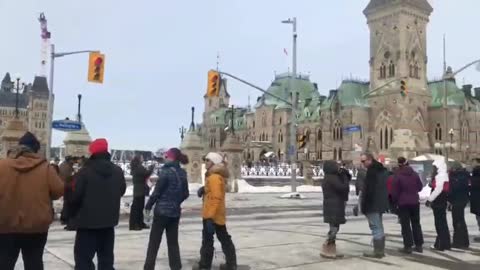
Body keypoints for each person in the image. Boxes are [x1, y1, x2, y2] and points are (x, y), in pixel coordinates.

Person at [0, 132, 64, 270]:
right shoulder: (46, 167)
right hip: (36, 226)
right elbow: (58, 191)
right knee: (34, 262)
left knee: (4, 262)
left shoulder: (2, 166)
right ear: (36, 149)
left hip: (6, 225)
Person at [67, 138, 126, 270]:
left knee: (83, 260)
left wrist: (71, 214)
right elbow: (121, 190)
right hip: (108, 223)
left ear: (92, 152)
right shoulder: (117, 171)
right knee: (106, 260)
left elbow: (75, 197)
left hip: (87, 224)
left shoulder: (85, 172)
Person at [143, 148, 190, 270]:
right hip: (175, 213)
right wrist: (176, 201)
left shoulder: (165, 172)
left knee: (154, 242)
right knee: (173, 242)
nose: (165, 158)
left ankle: (148, 267)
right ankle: (176, 267)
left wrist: (148, 205)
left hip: (161, 212)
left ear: (170, 157)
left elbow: (157, 192)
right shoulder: (182, 173)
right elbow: (186, 193)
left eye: (166, 156)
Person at [193, 152, 237, 270]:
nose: (205, 162)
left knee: (208, 240)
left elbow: (216, 197)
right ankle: (231, 263)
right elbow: (213, 191)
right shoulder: (214, 176)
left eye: (208, 160)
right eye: (205, 160)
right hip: (215, 214)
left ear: (214, 162)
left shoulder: (214, 177)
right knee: (223, 238)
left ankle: (205, 265)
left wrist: (210, 217)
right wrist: (204, 189)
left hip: (212, 215)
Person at [391, 157, 424, 254]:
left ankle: (408, 246)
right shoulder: (414, 174)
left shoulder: (398, 176)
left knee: (405, 225)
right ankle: (419, 245)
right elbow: (420, 187)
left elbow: (395, 191)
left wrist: (395, 201)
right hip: (414, 202)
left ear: (399, 165)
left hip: (403, 203)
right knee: (416, 223)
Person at [360, 152, 389, 258]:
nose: (362, 163)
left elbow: (369, 191)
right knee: (379, 226)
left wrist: (364, 206)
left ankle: (378, 251)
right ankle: (380, 250)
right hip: (380, 203)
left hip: (372, 204)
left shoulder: (372, 172)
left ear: (370, 160)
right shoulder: (382, 170)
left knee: (375, 227)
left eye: (363, 161)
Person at [320, 160, 350, 259]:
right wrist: (345, 177)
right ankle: (327, 248)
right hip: (335, 206)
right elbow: (343, 187)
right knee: (334, 229)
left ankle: (331, 250)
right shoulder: (332, 178)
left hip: (332, 205)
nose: (338, 167)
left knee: (334, 227)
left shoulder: (328, 177)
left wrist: (344, 175)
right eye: (336, 166)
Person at [425, 159, 451, 251]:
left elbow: (438, 189)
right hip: (442, 200)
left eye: (434, 167)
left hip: (439, 200)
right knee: (442, 222)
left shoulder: (440, 176)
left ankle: (440, 244)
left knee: (439, 223)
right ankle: (445, 243)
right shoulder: (444, 175)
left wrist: (430, 199)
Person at [448, 162, 470, 249]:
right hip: (461, 200)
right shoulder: (464, 175)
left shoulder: (458, 177)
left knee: (457, 221)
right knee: (460, 220)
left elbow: (454, 188)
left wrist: (449, 199)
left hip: (458, 200)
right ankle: (464, 241)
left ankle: (459, 242)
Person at [129, 154, 154, 231]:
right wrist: (151, 168)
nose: (143, 159)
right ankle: (135, 224)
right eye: (142, 157)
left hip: (139, 190)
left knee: (139, 208)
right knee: (137, 208)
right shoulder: (138, 167)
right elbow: (146, 173)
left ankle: (140, 223)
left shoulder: (137, 166)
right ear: (139, 159)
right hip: (139, 190)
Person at [59, 156, 76, 226]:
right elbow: (69, 177)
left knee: (66, 202)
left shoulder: (62, 165)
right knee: (67, 202)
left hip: (62, 184)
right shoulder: (68, 166)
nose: (74, 162)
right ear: (70, 160)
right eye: (72, 160)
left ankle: (64, 217)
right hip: (68, 186)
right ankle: (65, 218)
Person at [471, 161, 480, 242]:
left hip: (477, 199)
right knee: (478, 217)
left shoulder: (476, 174)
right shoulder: (474, 173)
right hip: (476, 199)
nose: (472, 164)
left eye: (473, 162)